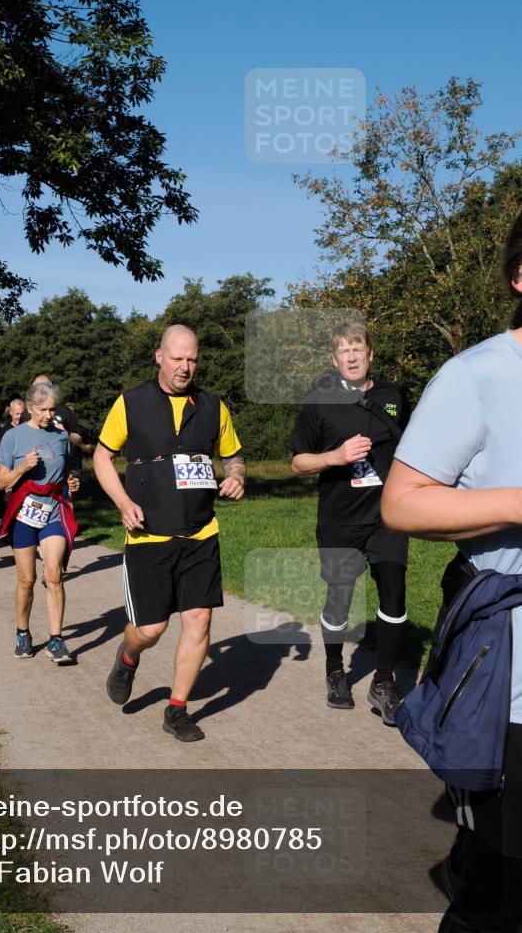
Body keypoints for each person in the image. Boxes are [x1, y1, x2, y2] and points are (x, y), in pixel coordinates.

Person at [382, 212, 522, 933]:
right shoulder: (478, 375)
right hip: (511, 675)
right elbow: (401, 504)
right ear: (520, 277)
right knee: (498, 891)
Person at [93, 324, 245, 742]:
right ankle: (127, 657)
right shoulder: (131, 403)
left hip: (200, 533)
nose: (185, 367)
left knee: (198, 618)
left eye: (192, 359)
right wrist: (124, 504)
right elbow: (102, 457)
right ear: (159, 357)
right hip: (149, 536)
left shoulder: (213, 407)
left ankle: (177, 709)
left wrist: (236, 477)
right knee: (151, 630)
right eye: (177, 358)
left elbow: (233, 458)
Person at [288, 321, 410, 724]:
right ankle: (335, 670)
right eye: (344, 350)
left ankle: (385, 681)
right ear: (335, 359)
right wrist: (335, 457)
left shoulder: (394, 397)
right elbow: (298, 462)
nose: (352, 356)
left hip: (387, 516)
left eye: (358, 349)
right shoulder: (320, 402)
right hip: (340, 519)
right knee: (340, 596)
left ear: (370, 355)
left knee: (394, 594)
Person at [0, 382, 80, 665]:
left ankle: (56, 639)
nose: (49, 415)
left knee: (53, 575)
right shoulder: (13, 437)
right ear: (30, 408)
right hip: (24, 514)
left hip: (54, 509)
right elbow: (1, 482)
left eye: (52, 409)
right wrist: (22, 468)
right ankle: (23, 633)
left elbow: (66, 473)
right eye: (43, 410)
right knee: (26, 580)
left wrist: (72, 483)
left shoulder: (61, 437)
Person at [0, 398, 25, 534]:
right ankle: (8, 529)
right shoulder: (5, 431)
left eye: (22, 413)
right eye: (17, 414)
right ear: (11, 413)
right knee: (11, 503)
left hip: (28, 474)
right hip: (11, 475)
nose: (20, 417)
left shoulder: (31, 428)